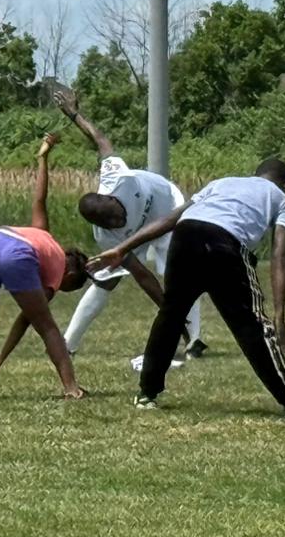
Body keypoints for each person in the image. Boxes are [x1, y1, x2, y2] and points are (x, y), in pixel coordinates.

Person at [90, 158, 285, 421]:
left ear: (254, 174)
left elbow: (171, 219)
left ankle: (147, 394)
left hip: (185, 236)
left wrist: (122, 247)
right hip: (224, 243)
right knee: (250, 326)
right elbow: (280, 256)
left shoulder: (222, 183)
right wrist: (279, 316)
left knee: (170, 316)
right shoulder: (282, 199)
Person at [52, 88, 204, 363]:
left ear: (111, 197)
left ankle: (194, 340)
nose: (118, 222)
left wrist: (74, 113)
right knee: (105, 280)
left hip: (168, 205)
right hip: (137, 236)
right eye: (112, 223)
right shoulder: (106, 236)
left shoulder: (119, 177)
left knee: (176, 270)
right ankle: (68, 344)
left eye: (117, 216)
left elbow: (99, 139)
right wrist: (173, 322)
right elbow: (143, 277)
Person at [0, 135, 89, 399]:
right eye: (65, 289)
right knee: (49, 326)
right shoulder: (56, 272)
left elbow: (40, 198)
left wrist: (42, 157)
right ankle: (71, 388)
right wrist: (4, 355)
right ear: (70, 275)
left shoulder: (41, 232)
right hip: (16, 253)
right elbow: (29, 320)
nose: (56, 290)